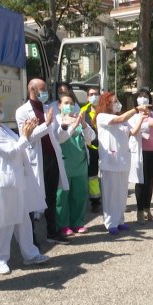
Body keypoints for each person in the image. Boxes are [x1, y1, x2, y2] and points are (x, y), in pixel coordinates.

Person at [0, 96, 50, 275]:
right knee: (3, 223)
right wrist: (25, 134)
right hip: (3, 184)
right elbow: (12, 150)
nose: (1, 107)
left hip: (17, 182)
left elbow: (23, 142)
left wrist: (36, 128)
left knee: (23, 220)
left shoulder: (2, 129)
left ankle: (30, 254)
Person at [15, 78, 70, 245]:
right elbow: (28, 137)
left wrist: (64, 127)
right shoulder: (22, 112)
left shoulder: (48, 108)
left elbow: (57, 137)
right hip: (35, 160)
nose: (46, 92)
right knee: (32, 200)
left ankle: (52, 232)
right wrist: (46, 124)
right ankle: (30, 238)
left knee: (51, 197)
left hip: (51, 157)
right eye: (43, 89)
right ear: (32, 89)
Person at [96, 92, 149, 234]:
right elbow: (119, 119)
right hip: (110, 161)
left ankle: (119, 220)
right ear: (107, 104)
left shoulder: (123, 119)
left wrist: (141, 119)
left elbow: (132, 132)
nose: (118, 103)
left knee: (121, 193)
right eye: (114, 101)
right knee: (110, 193)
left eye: (118, 101)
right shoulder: (102, 117)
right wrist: (137, 109)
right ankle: (110, 223)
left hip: (123, 160)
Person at [55, 93, 96, 236]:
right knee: (62, 197)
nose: (69, 106)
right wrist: (71, 125)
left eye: (71, 103)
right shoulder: (57, 120)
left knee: (78, 195)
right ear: (59, 105)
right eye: (65, 103)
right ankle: (63, 225)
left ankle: (77, 223)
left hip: (80, 164)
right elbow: (59, 138)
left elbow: (91, 137)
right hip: (64, 164)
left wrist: (83, 124)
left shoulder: (79, 120)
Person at [128, 88, 153, 225]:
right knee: (140, 181)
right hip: (141, 152)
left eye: (145, 96)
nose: (143, 98)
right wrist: (146, 122)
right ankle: (139, 210)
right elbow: (134, 130)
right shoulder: (133, 116)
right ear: (136, 100)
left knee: (150, 181)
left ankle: (147, 209)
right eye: (140, 96)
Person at [80, 87, 102, 213]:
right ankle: (95, 201)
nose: (94, 96)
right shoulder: (83, 111)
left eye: (96, 94)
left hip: (106, 148)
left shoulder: (105, 109)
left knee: (107, 174)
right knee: (92, 176)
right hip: (91, 148)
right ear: (87, 97)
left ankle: (112, 200)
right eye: (91, 94)